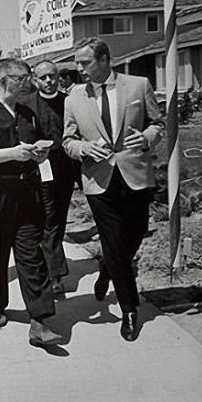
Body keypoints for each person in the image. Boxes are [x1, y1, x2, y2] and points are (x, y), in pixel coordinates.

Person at [63, 37, 164, 342]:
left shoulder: (137, 85)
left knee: (134, 234)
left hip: (134, 174)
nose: (79, 69)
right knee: (112, 238)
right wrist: (84, 148)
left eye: (85, 62)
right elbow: (68, 141)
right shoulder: (74, 98)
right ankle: (130, 308)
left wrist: (147, 138)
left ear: (105, 59)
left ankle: (108, 267)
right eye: (78, 63)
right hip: (98, 179)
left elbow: (158, 123)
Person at [0, 57, 62, 346]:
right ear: (4, 80)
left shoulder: (27, 113)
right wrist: (12, 153)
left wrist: (40, 154)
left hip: (26, 194)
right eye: (21, 78)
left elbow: (40, 144)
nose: (27, 82)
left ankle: (39, 321)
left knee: (32, 255)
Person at [19, 60, 82, 294]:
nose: (48, 81)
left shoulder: (69, 102)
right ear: (35, 80)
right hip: (39, 170)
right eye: (43, 77)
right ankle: (54, 275)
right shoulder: (26, 105)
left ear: (59, 78)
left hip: (65, 169)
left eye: (52, 76)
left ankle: (52, 268)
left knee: (58, 219)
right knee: (48, 220)